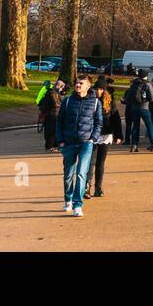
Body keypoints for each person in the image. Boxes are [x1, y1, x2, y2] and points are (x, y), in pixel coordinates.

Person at [56, 75, 102, 216]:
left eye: (81, 83)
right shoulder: (68, 101)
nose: (78, 85)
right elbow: (59, 121)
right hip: (69, 142)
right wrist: (61, 140)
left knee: (81, 173)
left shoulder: (95, 102)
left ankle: (78, 205)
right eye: (77, 83)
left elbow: (98, 122)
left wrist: (93, 138)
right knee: (68, 174)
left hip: (86, 143)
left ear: (88, 86)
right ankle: (68, 199)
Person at [86, 79, 123, 199]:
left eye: (101, 89)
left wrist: (118, 135)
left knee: (100, 163)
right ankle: (87, 187)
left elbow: (115, 118)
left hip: (105, 134)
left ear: (105, 90)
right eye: (96, 89)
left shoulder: (110, 102)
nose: (98, 91)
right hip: (92, 135)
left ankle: (98, 187)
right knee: (90, 162)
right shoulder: (89, 100)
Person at [123, 70, 153, 152]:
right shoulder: (148, 84)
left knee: (135, 126)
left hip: (134, 107)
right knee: (149, 126)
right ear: (146, 76)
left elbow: (129, 96)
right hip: (144, 107)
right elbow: (152, 98)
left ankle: (134, 145)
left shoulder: (134, 83)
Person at [38, 79, 64, 152]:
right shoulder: (52, 93)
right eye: (61, 88)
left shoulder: (52, 92)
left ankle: (52, 146)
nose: (61, 90)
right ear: (59, 87)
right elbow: (56, 104)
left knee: (51, 131)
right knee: (51, 132)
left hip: (51, 115)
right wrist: (62, 103)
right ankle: (50, 146)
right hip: (51, 115)